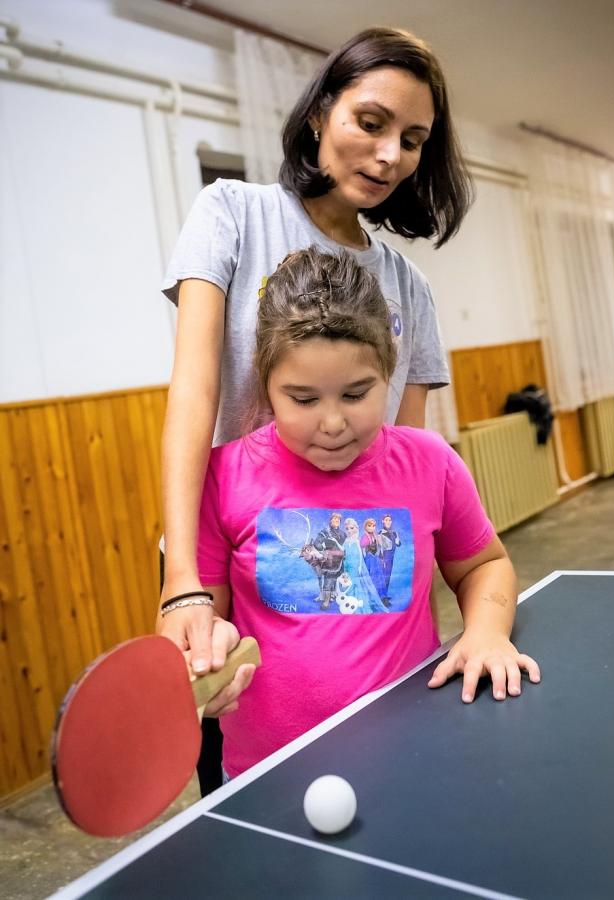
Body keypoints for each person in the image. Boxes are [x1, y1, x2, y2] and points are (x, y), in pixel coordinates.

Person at [157, 26, 473, 675]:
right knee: (239, 738)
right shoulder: (232, 213)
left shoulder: (409, 287)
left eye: (412, 141)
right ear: (321, 111)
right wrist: (184, 577)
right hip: (229, 553)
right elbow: (194, 390)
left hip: (356, 563)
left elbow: (403, 469)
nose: (390, 155)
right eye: (371, 121)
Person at [169, 247, 540, 779]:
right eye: (302, 399)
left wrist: (485, 631)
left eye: (356, 393)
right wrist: (211, 653)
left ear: (388, 372)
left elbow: (484, 564)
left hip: (412, 753)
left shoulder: (430, 462)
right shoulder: (222, 478)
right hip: (267, 771)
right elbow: (209, 614)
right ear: (266, 384)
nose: (334, 422)